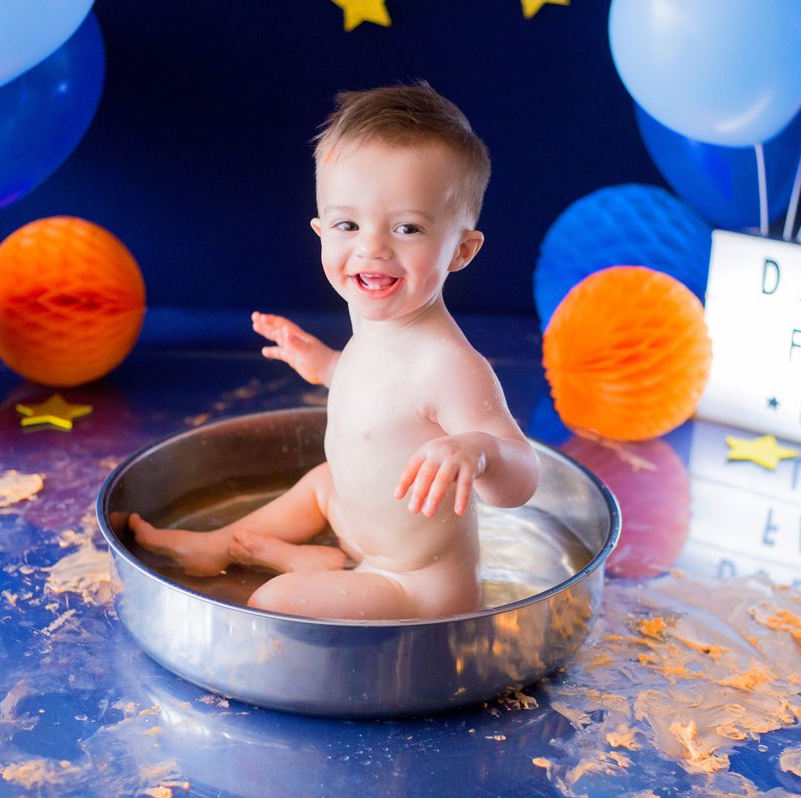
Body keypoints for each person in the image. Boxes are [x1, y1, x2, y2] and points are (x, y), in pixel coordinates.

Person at [129, 82, 541, 620]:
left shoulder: (450, 365)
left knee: (270, 605)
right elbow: (383, 393)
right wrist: (325, 364)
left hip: (413, 585)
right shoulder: (376, 312)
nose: (372, 247)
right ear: (322, 230)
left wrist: (478, 451)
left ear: (461, 250)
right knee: (323, 484)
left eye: (407, 227)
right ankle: (221, 544)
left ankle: (299, 566)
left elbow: (524, 477)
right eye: (348, 225)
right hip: (362, 532)